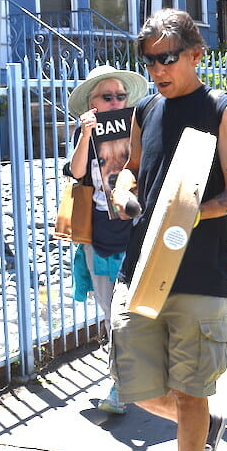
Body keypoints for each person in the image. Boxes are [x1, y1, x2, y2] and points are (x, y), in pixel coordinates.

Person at [109, 9, 227, 451]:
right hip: (139, 267)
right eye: (149, 60)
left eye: (168, 57)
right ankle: (206, 426)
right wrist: (123, 190)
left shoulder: (223, 112)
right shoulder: (146, 109)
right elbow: (131, 168)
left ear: (196, 54)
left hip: (199, 273)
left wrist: (187, 212)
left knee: (190, 389)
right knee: (135, 384)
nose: (158, 69)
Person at [66, 65, 148, 415]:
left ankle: (130, 380)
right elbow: (77, 172)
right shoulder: (84, 133)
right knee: (111, 314)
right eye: (107, 96)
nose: (115, 101)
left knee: (138, 312)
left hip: (137, 229)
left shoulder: (139, 129)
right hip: (99, 234)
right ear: (92, 103)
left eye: (120, 96)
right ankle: (121, 382)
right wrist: (86, 134)